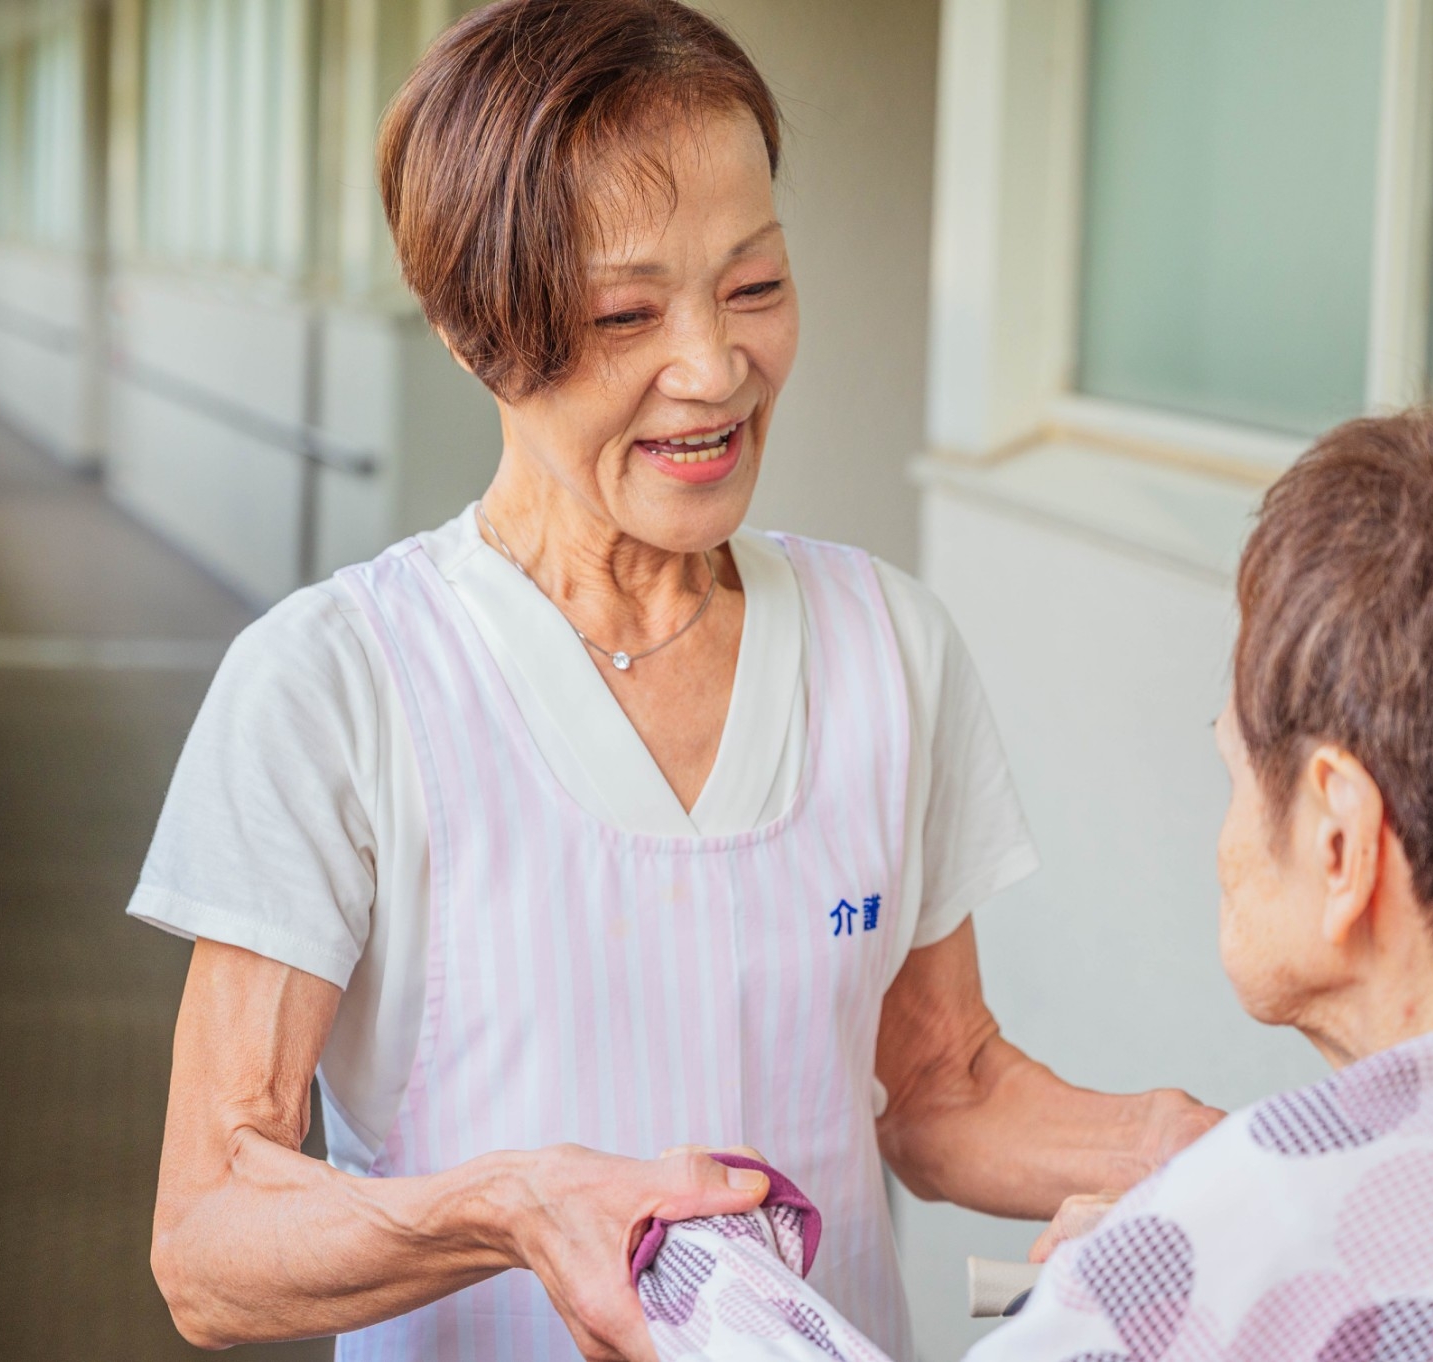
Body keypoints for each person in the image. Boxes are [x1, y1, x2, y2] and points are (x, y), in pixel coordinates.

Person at [131, 3, 1218, 1358]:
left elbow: (940, 1088)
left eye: (753, 286)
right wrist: (510, 1207)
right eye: (623, 313)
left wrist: (1206, 1150)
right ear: (475, 332)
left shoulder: (887, 646)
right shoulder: (336, 683)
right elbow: (210, 1238)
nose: (714, 369)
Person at [621, 400, 1433, 1362]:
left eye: (1241, 767)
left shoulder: (1248, 1235)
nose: (1229, 828)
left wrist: (680, 1253)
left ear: (1343, 839)